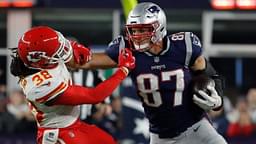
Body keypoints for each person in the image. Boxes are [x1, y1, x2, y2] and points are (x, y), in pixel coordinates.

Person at [72, 2, 228, 144]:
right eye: (134, 31)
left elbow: (211, 74)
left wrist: (218, 100)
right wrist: (63, 55)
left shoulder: (184, 46)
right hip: (161, 137)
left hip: (197, 128)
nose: (137, 36)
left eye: (143, 30)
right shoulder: (127, 50)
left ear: (159, 27)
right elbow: (90, 61)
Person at [9, 26, 135, 144]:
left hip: (75, 124)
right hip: (58, 133)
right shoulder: (40, 86)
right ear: (40, 60)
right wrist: (123, 70)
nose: (63, 51)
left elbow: (80, 59)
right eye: (57, 51)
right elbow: (94, 96)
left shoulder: (42, 58)